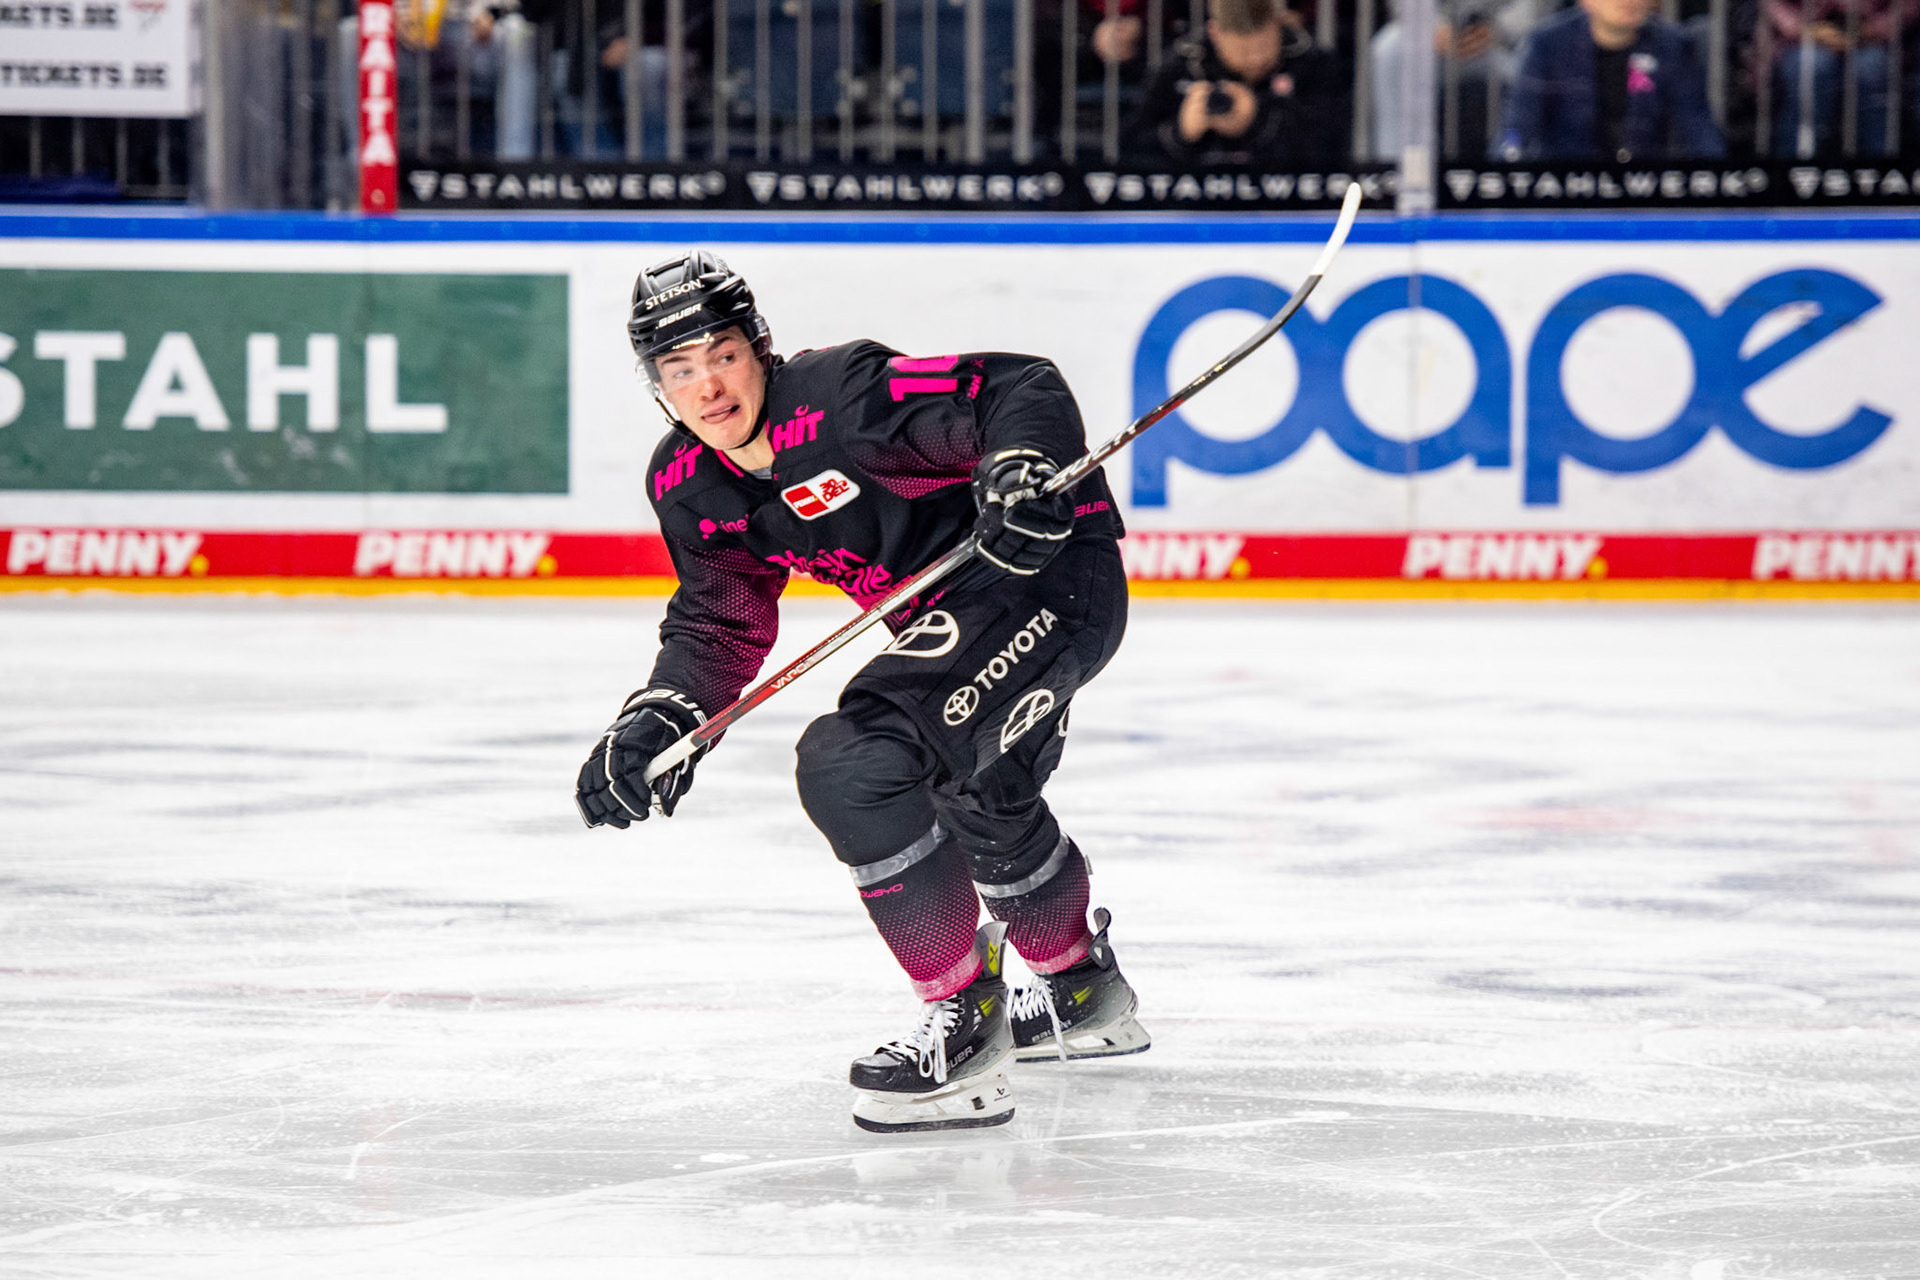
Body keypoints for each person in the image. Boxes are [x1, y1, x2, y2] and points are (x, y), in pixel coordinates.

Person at [574, 252, 1149, 1134]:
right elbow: (719, 622)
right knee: (976, 791)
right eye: (678, 368)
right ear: (657, 384)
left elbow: (1015, 386)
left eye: (722, 355)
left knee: (855, 761)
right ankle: (1079, 989)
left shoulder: (843, 401)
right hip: (948, 625)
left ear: (759, 348)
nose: (707, 387)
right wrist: (665, 715)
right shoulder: (688, 482)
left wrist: (1019, 471)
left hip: (1046, 577)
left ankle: (965, 1018)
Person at [1122, 0, 1347, 167]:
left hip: (1292, 205)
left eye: (1265, 46)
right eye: (1244, 49)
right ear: (1215, 34)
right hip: (1192, 205)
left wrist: (1257, 121)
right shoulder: (1180, 65)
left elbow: (1333, 147)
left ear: (1279, 25)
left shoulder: (1311, 63)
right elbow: (1130, 148)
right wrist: (1181, 133)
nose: (1256, 59)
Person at [1498, 0, 1725, 162]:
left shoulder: (1674, 47)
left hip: (1643, 190)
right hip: (1568, 191)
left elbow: (1699, 128)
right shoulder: (1547, 45)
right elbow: (1517, 127)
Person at [1761, 0, 1918, 157]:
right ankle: (1796, 160)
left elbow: (1909, 6)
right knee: (1811, 68)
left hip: (1873, 40)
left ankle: (1880, 160)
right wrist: (1795, 25)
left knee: (1872, 68)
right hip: (1804, 38)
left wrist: (1876, 27)